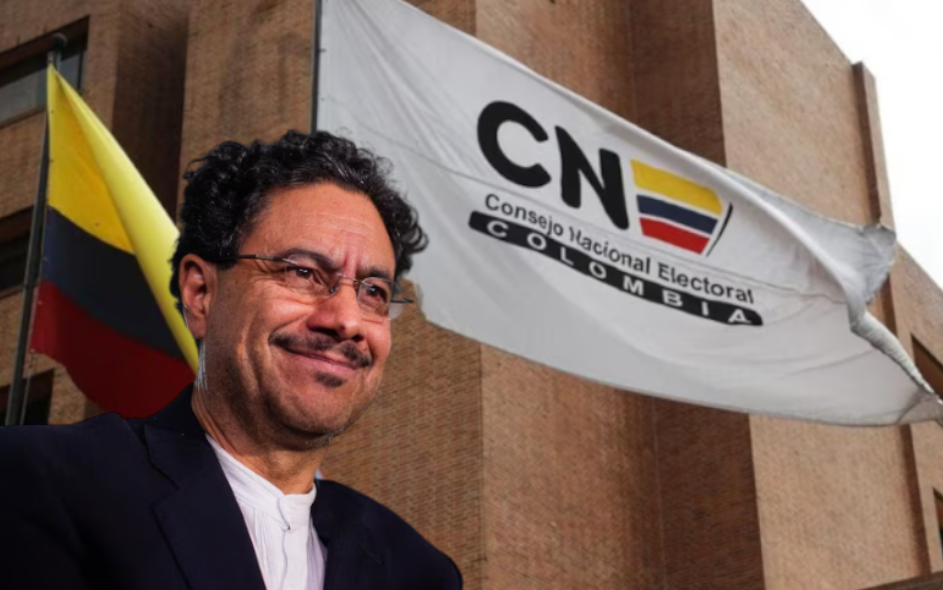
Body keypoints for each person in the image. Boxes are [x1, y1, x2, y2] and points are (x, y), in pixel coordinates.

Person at [0, 130, 462, 590]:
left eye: (374, 292)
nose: (347, 320)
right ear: (201, 293)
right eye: (303, 272)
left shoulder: (419, 573)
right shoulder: (46, 482)